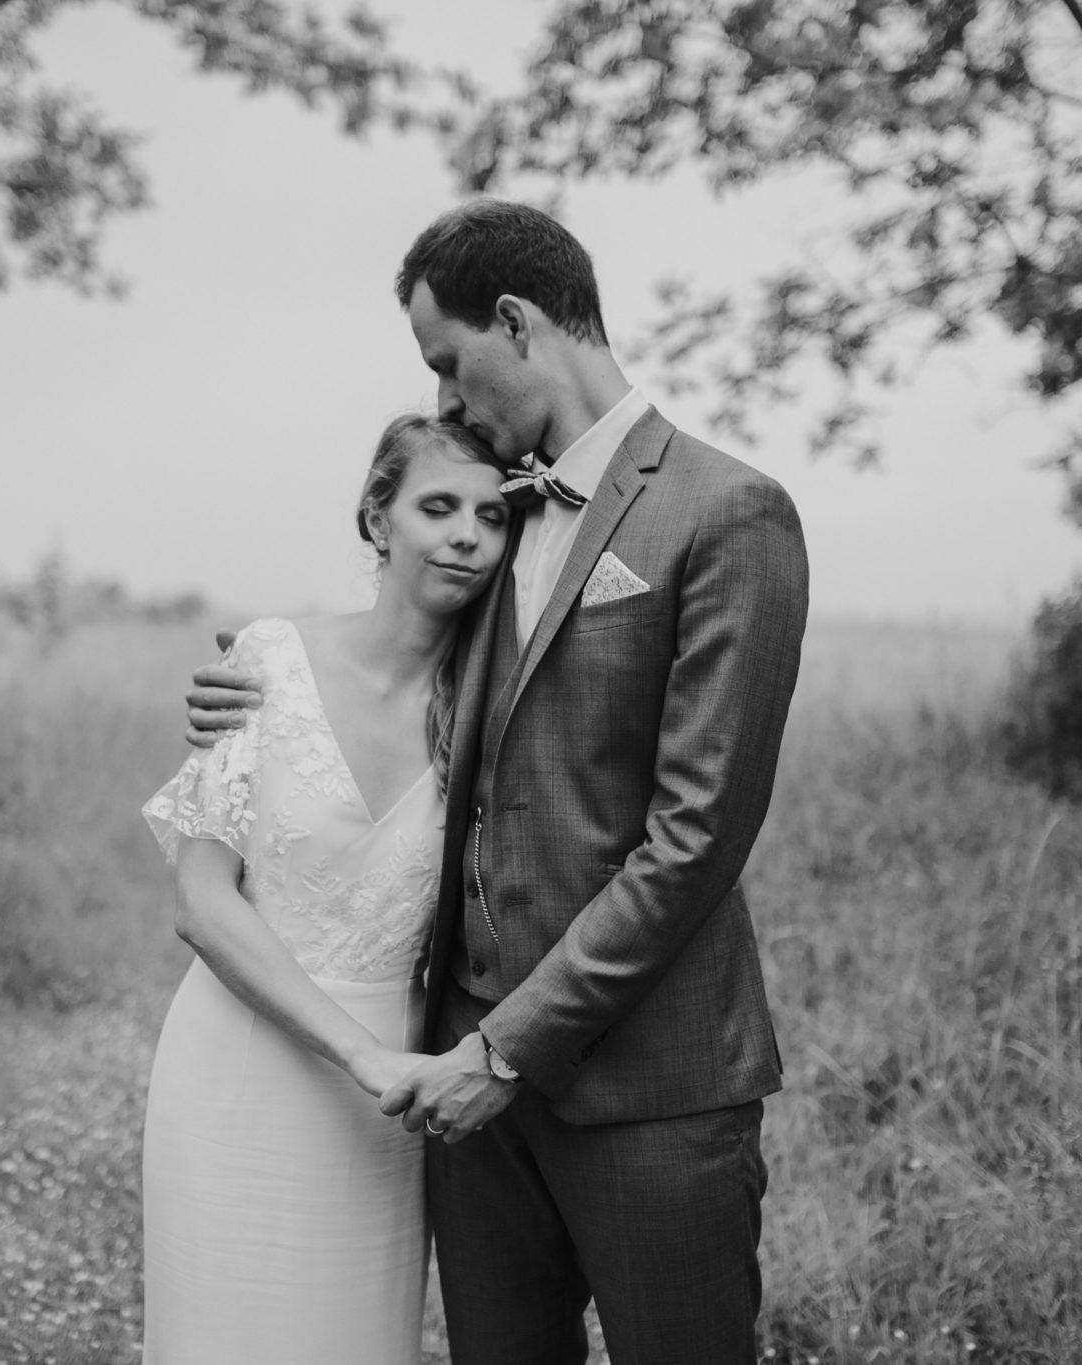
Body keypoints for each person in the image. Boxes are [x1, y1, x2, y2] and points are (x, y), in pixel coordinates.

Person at [186, 200, 812, 1364]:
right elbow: (381, 674)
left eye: (449, 363)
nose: (442, 404)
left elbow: (694, 840)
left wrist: (504, 1051)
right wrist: (252, 691)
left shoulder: (725, 513)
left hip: (645, 1086)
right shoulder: (497, 506)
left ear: (516, 323)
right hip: (463, 1091)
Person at [138, 414, 511, 1364]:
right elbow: (202, 901)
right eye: (438, 506)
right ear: (377, 519)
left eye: (493, 514)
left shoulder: (492, 705)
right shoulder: (266, 663)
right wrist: (360, 1056)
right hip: (241, 1066)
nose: (467, 533)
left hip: (386, 1101)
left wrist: (389, 1069)